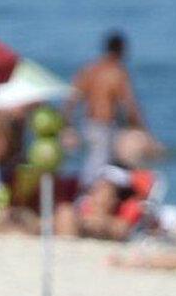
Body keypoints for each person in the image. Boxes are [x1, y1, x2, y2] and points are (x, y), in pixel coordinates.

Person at [67, 32, 161, 189]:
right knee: (100, 166)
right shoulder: (117, 72)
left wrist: (67, 123)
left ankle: (95, 192)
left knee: (95, 162)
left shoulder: (89, 69)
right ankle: (90, 194)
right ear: (121, 49)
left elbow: (72, 99)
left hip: (88, 124)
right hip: (105, 125)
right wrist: (143, 129)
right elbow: (130, 104)